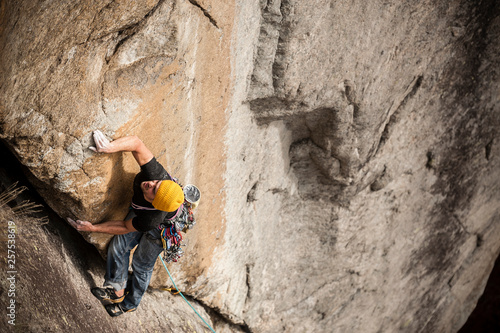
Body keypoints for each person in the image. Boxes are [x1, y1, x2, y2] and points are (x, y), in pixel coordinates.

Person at [67, 130, 185, 317]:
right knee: (118, 246)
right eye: (156, 183)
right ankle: (116, 291)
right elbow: (137, 143)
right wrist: (109, 147)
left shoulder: (151, 218)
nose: (150, 184)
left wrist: (93, 228)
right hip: (143, 213)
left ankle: (130, 304)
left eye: (154, 189)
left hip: (159, 231)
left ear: (154, 203)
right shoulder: (157, 176)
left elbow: (124, 227)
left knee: (141, 265)